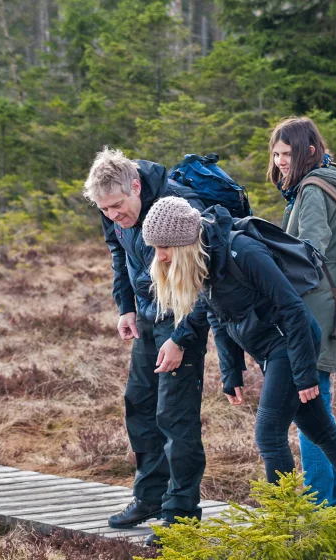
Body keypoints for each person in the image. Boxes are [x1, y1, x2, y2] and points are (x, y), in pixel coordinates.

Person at [140, 195, 336, 522]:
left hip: (290, 345)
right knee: (323, 432)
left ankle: (284, 525)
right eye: (155, 248)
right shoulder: (205, 260)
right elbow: (218, 315)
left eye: (164, 247)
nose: (159, 256)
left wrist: (305, 374)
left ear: (183, 241)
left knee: (268, 434)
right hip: (269, 350)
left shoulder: (243, 252)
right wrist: (231, 372)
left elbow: (293, 309)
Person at [83, 147, 214, 544]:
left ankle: (181, 514)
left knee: (176, 416)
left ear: (136, 186)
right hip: (146, 316)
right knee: (139, 404)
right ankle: (150, 496)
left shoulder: (178, 209)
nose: (112, 216)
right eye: (104, 209)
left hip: (182, 318)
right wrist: (126, 307)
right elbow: (118, 254)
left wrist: (181, 339)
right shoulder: (113, 212)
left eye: (118, 206)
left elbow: (206, 280)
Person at [268, 116, 336, 512]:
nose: (280, 160)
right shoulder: (321, 183)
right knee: (319, 413)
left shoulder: (314, 190)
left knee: (310, 415)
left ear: (309, 152)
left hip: (312, 312)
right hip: (320, 309)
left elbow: (311, 249)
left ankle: (323, 508)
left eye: (287, 153)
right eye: (276, 153)